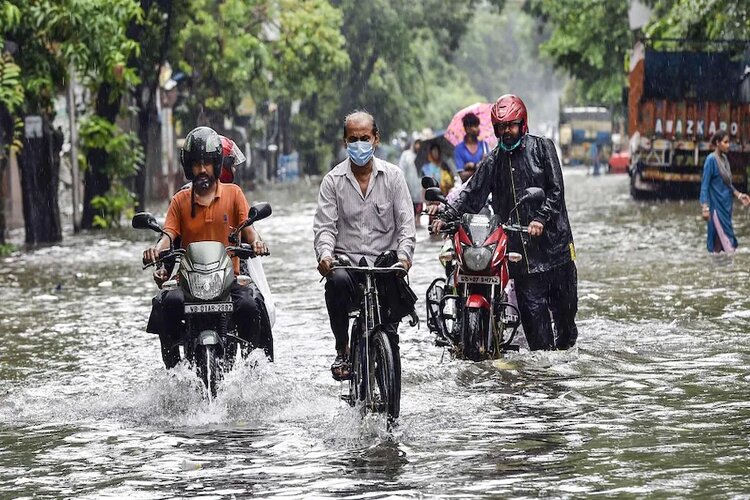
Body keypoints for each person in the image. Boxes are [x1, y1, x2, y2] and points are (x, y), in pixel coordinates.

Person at [429, 94, 578, 351]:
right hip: (522, 257)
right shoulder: (494, 159)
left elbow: (556, 191)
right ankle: (542, 381)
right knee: (539, 342)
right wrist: (445, 216)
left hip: (556, 252)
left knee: (565, 325)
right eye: (501, 127)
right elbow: (471, 193)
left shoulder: (543, 148)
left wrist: (541, 218)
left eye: (511, 125)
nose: (506, 131)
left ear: (523, 124)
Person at [142, 126, 272, 368]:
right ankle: (173, 370)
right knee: (165, 303)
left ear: (216, 164)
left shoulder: (234, 194)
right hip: (188, 283)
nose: (202, 169)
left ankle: (258, 370)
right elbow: (169, 235)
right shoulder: (180, 200)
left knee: (251, 304)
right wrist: (156, 250)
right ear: (188, 167)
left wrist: (257, 243)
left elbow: (249, 231)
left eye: (207, 163)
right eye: (196, 163)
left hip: (228, 279)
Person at [314, 110, 416, 380]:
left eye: (365, 138)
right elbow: (325, 228)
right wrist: (325, 255)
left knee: (391, 338)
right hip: (348, 268)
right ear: (345, 142)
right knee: (334, 281)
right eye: (353, 139)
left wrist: (404, 258)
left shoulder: (393, 177)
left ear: (376, 139)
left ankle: (389, 381)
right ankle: (342, 348)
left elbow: (406, 225)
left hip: (385, 267)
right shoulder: (332, 182)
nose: (359, 144)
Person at [699, 130, 750, 254]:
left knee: (723, 244)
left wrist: (739, 195)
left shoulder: (725, 159)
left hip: (726, 207)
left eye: (729, 142)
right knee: (726, 245)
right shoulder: (711, 160)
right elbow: (704, 185)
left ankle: (722, 271)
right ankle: (722, 271)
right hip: (716, 208)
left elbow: (728, 184)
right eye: (725, 142)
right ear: (717, 143)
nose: (728, 145)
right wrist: (705, 207)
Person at [398, 139, 424, 226]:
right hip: (408, 184)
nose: (418, 146)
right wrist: (403, 182)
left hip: (419, 185)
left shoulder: (422, 156)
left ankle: (418, 221)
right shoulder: (406, 155)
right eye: (417, 144)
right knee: (410, 205)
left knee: (419, 205)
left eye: (420, 145)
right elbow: (401, 169)